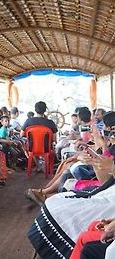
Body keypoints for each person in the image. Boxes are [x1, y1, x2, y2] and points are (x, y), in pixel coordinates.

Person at [28, 111, 115, 259]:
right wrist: (95, 162)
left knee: (67, 185)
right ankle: (45, 192)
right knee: (65, 180)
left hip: (109, 199)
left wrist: (104, 152)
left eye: (107, 129)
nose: (106, 132)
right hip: (107, 192)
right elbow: (105, 181)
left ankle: (44, 192)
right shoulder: (111, 147)